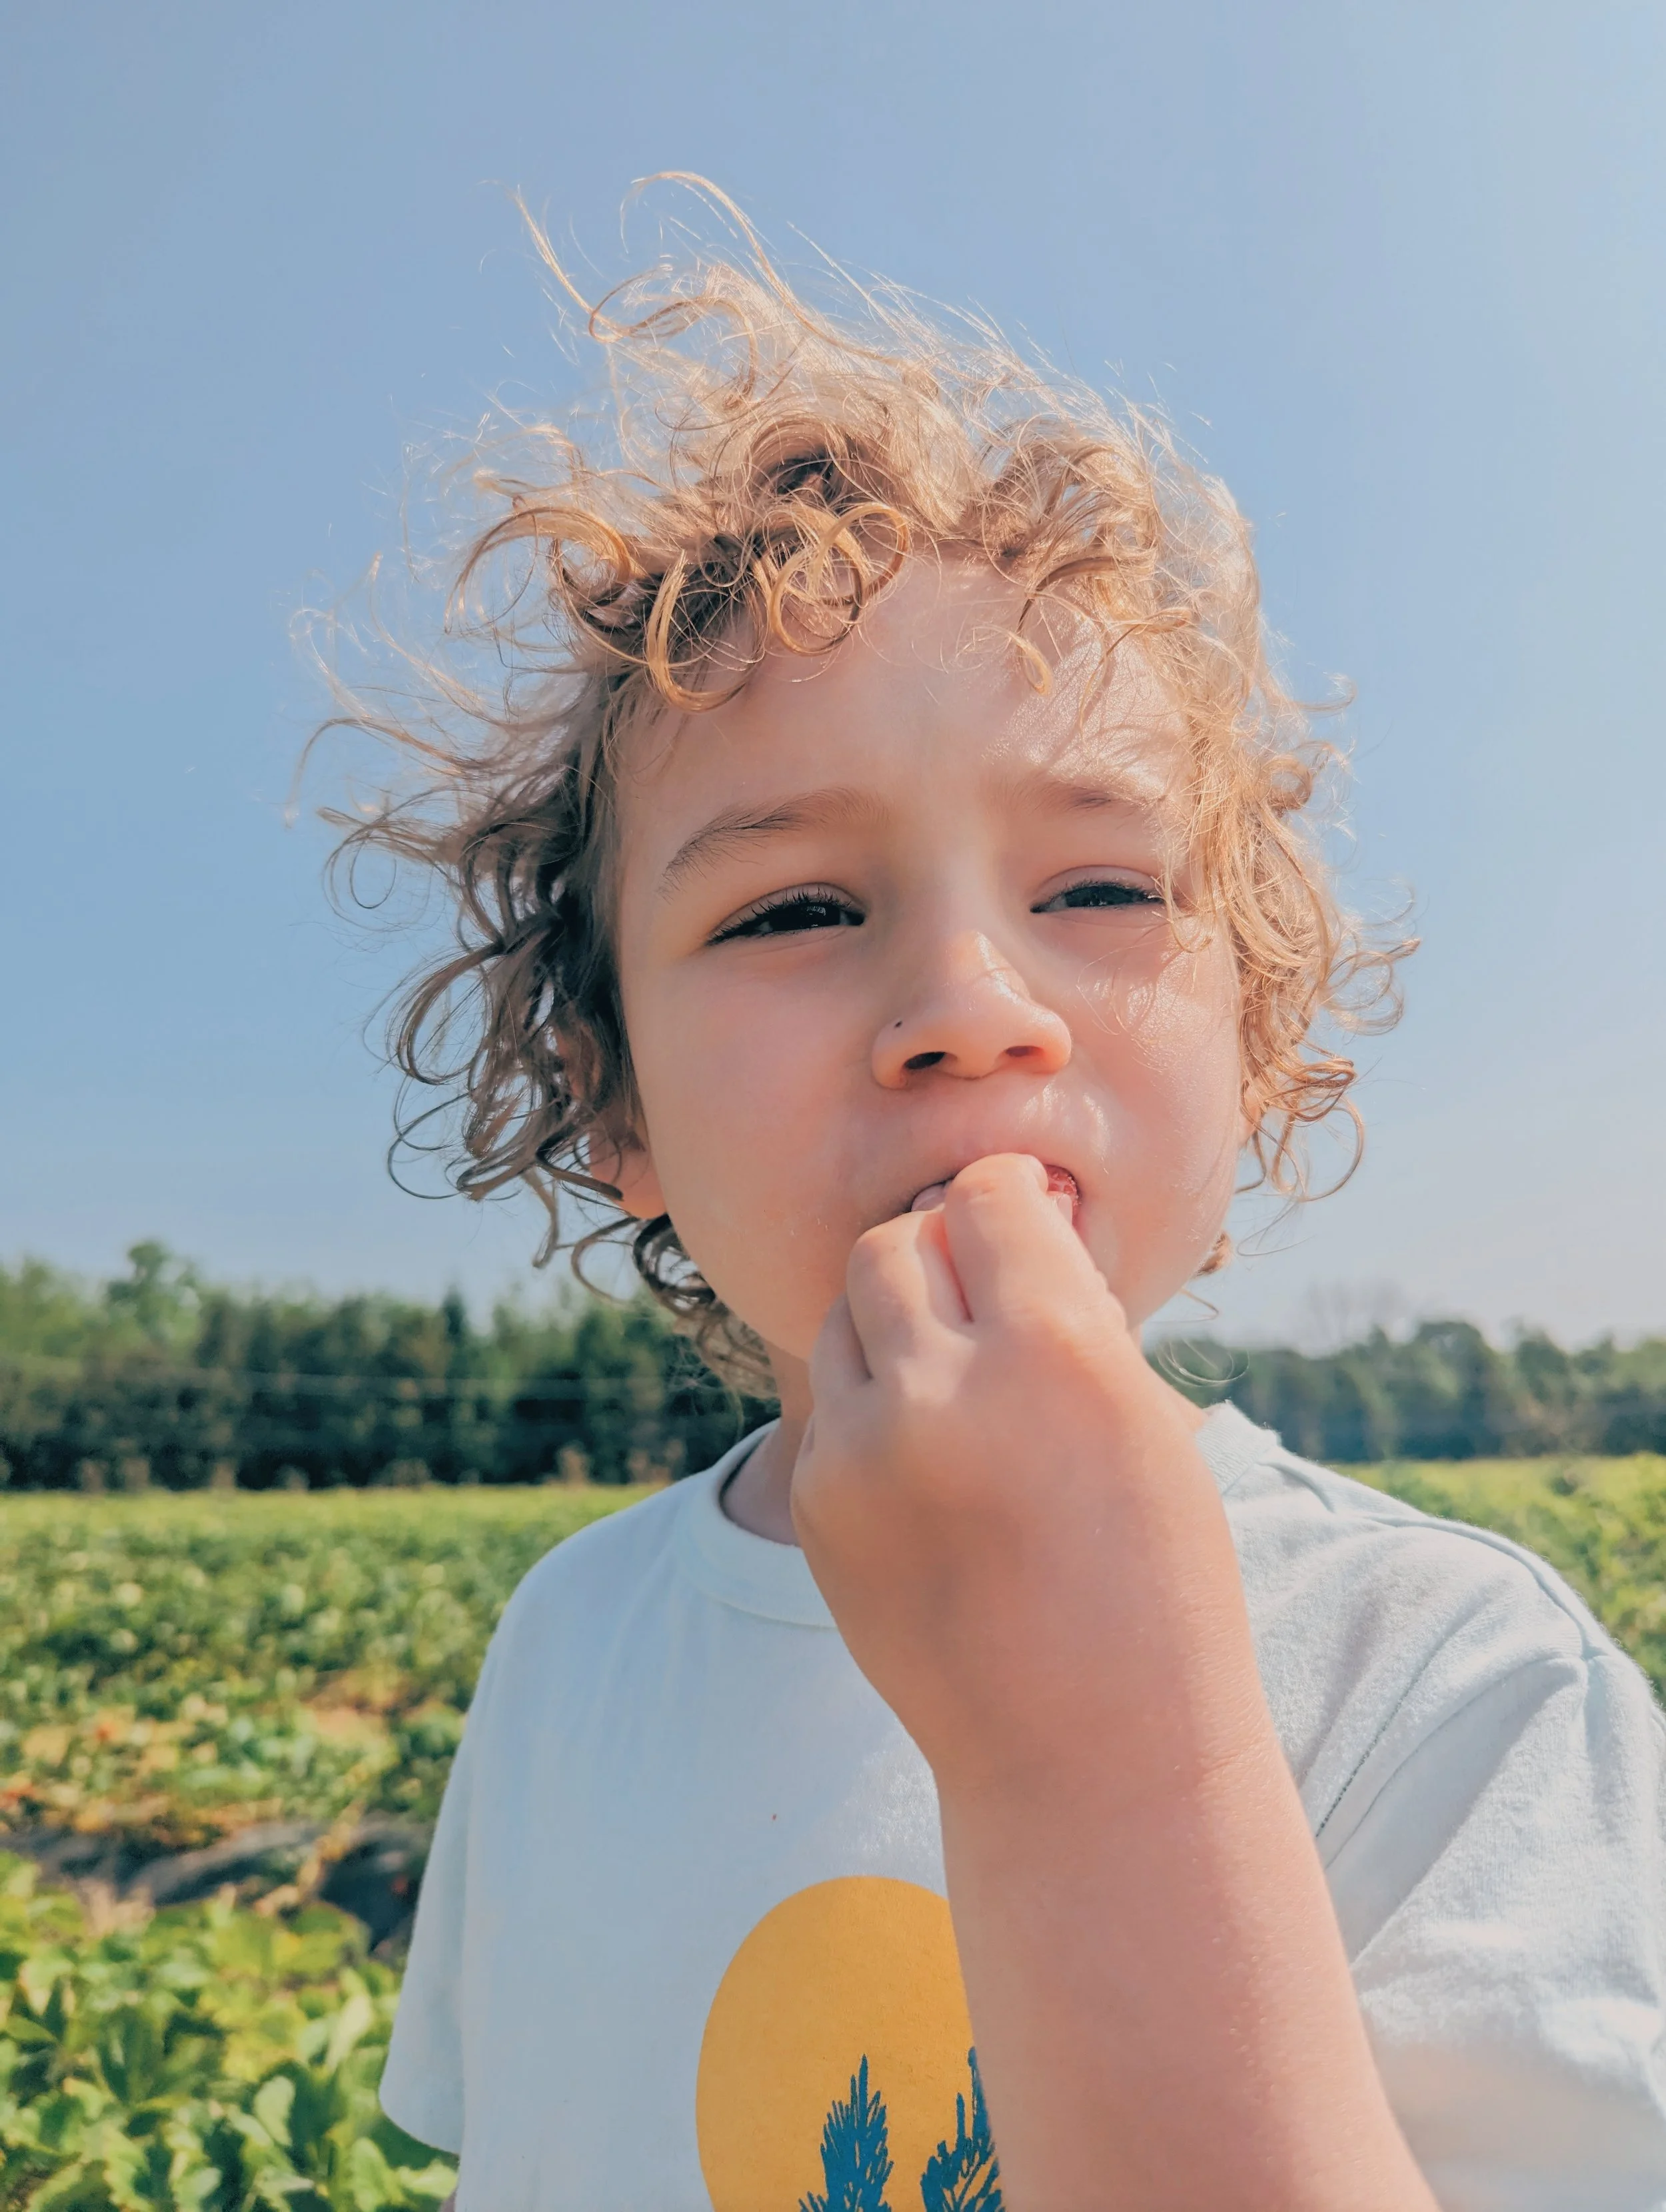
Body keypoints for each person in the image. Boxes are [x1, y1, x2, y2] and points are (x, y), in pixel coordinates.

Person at [341, 189, 1666, 2209]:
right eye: (793, 907)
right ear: (609, 1104)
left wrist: (1109, 1758)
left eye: (1099, 889)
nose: (971, 1009)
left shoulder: (1444, 1683)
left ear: (1254, 1044)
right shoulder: (570, 1647)